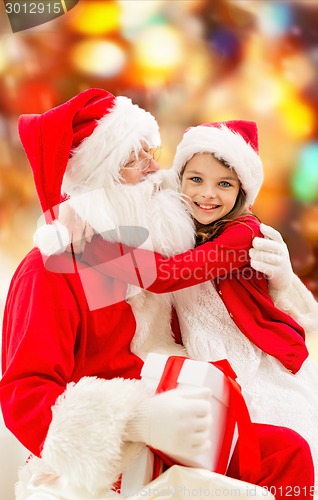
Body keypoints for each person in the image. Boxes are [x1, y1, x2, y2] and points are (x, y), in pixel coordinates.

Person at [0, 90, 315, 499]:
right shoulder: (52, 269)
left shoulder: (161, 242)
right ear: (100, 177)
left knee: (288, 453)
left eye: (151, 151)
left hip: (186, 422)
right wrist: (138, 420)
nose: (154, 167)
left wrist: (283, 282)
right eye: (134, 159)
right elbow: (24, 394)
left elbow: (236, 307)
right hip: (112, 453)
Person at [80, 119, 318, 489]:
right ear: (180, 179)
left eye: (224, 184)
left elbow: (173, 274)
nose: (207, 194)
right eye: (196, 180)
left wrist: (106, 252)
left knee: (270, 457)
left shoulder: (243, 233)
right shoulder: (181, 220)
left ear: (241, 192)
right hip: (206, 360)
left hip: (257, 360)